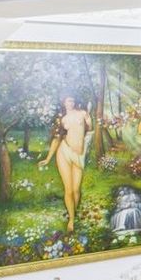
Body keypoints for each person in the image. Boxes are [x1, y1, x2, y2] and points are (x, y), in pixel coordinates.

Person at [48, 96, 91, 230]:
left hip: (78, 154)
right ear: (64, 103)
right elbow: (56, 138)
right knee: (68, 189)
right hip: (64, 151)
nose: (70, 103)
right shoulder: (61, 119)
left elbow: (90, 129)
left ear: (75, 102)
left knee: (76, 190)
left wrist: (89, 118)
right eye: (68, 101)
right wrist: (48, 158)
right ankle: (71, 220)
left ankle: (72, 212)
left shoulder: (82, 113)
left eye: (72, 100)